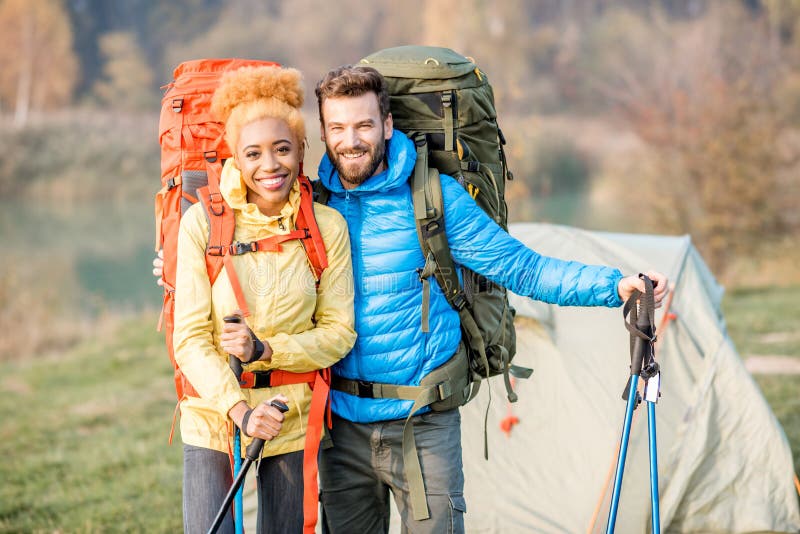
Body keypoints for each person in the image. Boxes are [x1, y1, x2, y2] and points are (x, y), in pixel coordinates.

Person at [311, 65, 669, 534]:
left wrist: (613, 285)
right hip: (339, 430)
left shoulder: (436, 200)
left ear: (387, 125)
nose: (350, 140)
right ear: (324, 131)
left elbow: (524, 268)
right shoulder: (311, 205)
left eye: (363, 125)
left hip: (422, 424)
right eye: (337, 127)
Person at [171, 65, 356, 534]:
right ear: (236, 154)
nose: (269, 165)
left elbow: (339, 332)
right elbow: (190, 340)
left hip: (289, 412)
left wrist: (266, 352)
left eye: (281, 149)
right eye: (253, 153)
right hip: (214, 414)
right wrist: (239, 410)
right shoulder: (203, 223)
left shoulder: (326, 227)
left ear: (300, 150)